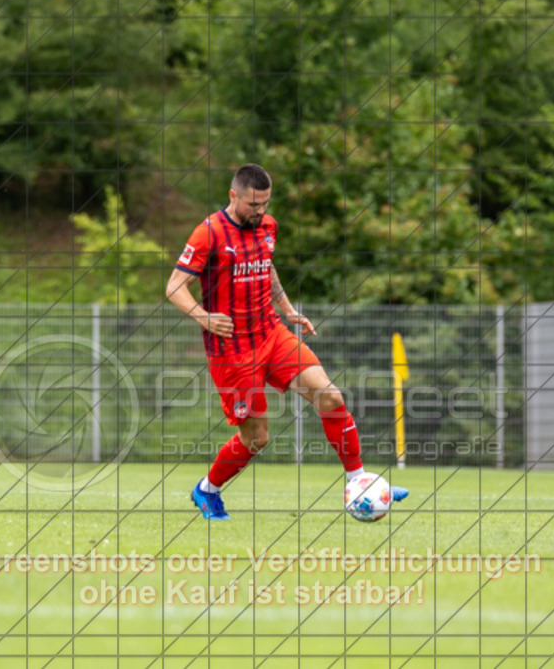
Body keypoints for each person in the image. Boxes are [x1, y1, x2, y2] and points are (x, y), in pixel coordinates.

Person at [165, 164, 408, 520]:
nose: (260, 210)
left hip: (271, 332)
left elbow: (266, 265)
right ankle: (207, 490)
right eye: (253, 204)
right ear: (233, 195)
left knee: (330, 397)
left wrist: (288, 309)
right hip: (233, 349)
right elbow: (174, 287)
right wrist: (204, 317)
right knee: (257, 439)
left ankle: (359, 482)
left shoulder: (268, 226)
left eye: (265, 203)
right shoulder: (209, 233)